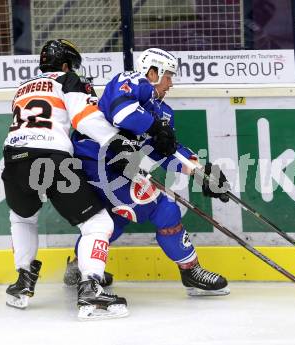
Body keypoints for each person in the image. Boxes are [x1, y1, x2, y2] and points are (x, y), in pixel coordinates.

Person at [64, 48, 231, 296]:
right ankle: (191, 270)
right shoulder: (131, 81)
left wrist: (201, 172)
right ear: (153, 72)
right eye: (168, 76)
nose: (171, 84)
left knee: (114, 219)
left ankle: (80, 267)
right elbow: (121, 113)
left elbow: (165, 152)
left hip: (113, 168)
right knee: (163, 208)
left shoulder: (163, 113)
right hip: (94, 162)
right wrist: (155, 128)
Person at [2, 38, 129, 320]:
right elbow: (84, 118)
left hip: (13, 159)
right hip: (50, 157)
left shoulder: (22, 88)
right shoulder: (69, 79)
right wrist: (116, 142)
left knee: (22, 218)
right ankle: (91, 289)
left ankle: (22, 282)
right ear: (65, 64)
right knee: (97, 222)